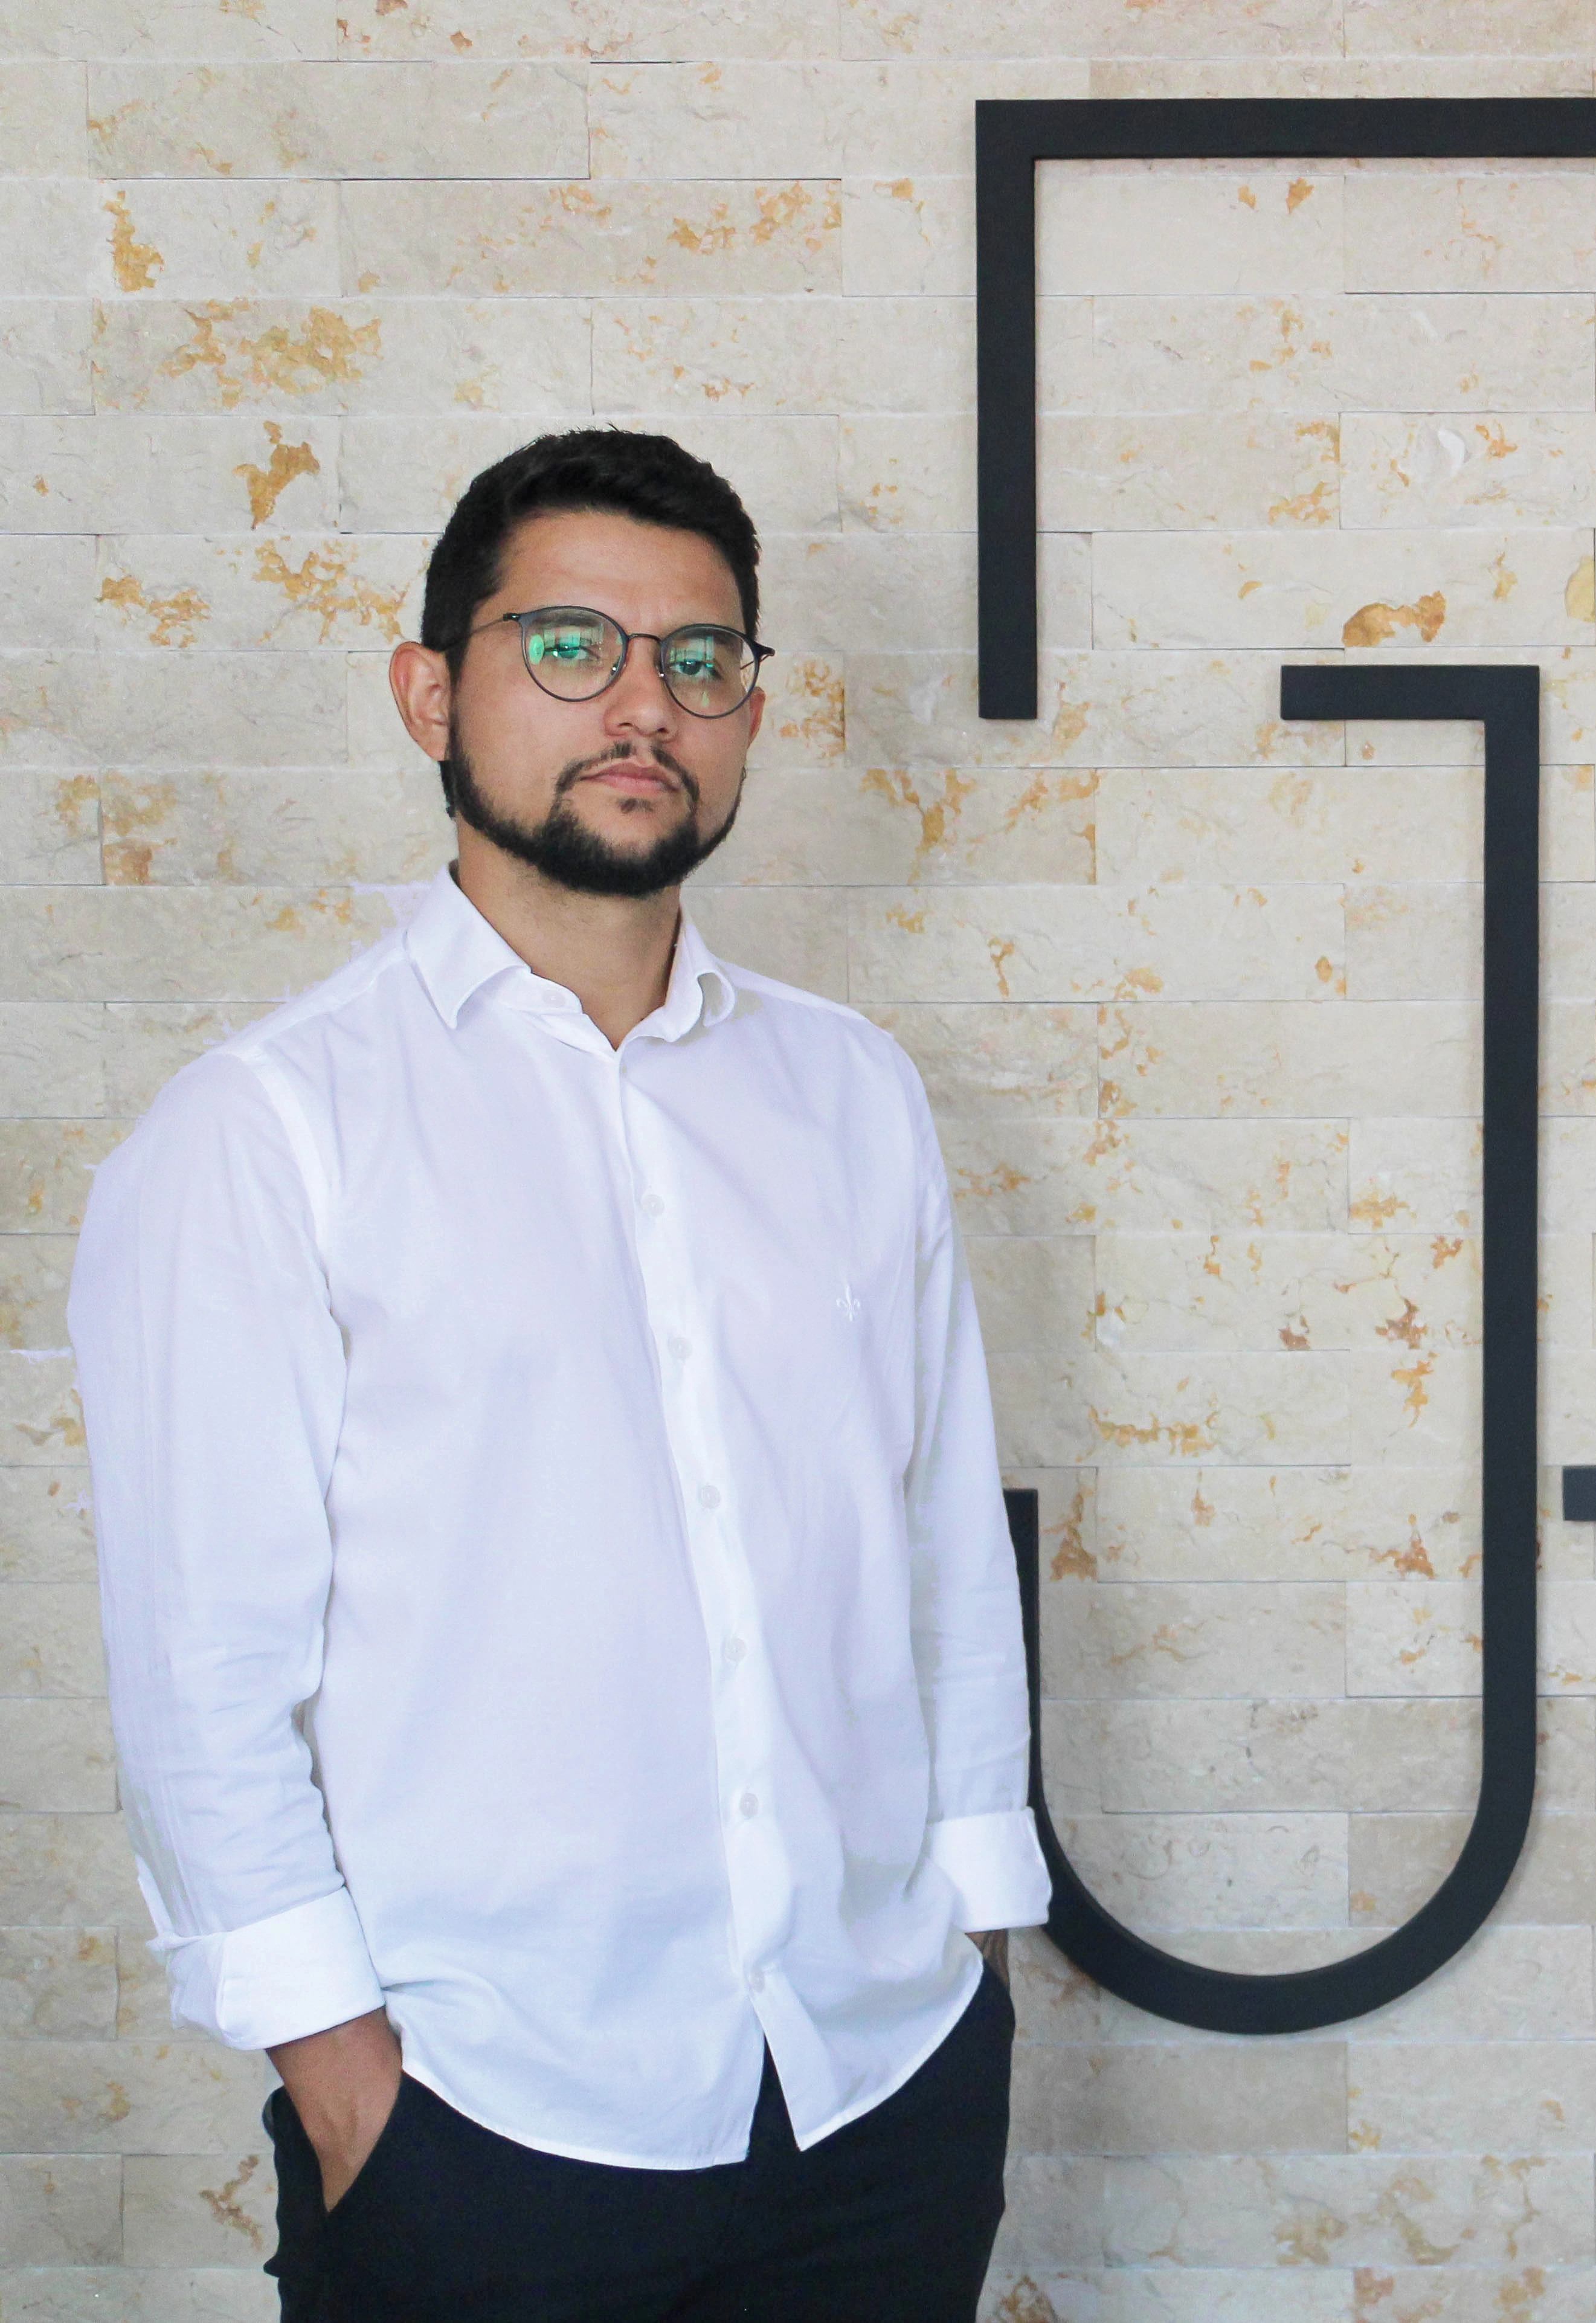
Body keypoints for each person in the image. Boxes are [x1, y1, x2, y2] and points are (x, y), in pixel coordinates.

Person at [69, 428, 1049, 2320]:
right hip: (487, 2134)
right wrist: (358, 2109)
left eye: (700, 662)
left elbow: (938, 1559)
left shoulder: (852, 1094)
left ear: (750, 713)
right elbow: (208, 1684)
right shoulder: (267, 1135)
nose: (644, 708)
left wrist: (978, 1974)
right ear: (431, 689)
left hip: (879, 2096)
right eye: (571, 645)